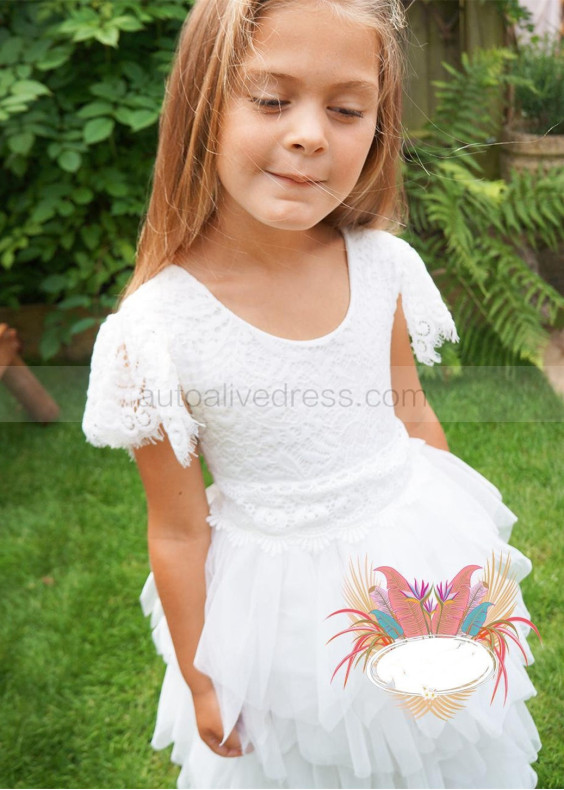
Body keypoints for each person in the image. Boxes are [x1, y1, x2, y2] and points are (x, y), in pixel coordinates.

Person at [82, 0, 542, 787]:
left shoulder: (382, 266)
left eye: (346, 108)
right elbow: (181, 532)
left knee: (433, 747)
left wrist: (456, 553)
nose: (308, 133)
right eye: (270, 99)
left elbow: (411, 414)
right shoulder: (155, 331)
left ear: (379, 125)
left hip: (409, 557)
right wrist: (201, 677)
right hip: (280, 612)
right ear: (204, 104)